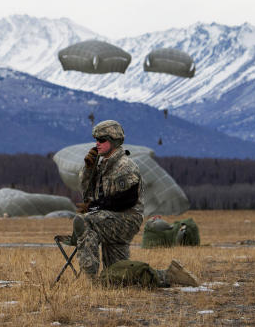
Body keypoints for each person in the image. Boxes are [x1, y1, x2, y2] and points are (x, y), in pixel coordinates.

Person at [67, 120, 197, 287]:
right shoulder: (103, 166)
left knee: (84, 221)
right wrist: (88, 169)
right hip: (111, 218)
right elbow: (87, 194)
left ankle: (91, 282)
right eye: (96, 140)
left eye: (102, 140)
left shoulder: (124, 166)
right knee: (116, 276)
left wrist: (94, 207)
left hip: (125, 219)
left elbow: (125, 200)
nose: (97, 144)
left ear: (113, 141)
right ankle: (169, 276)